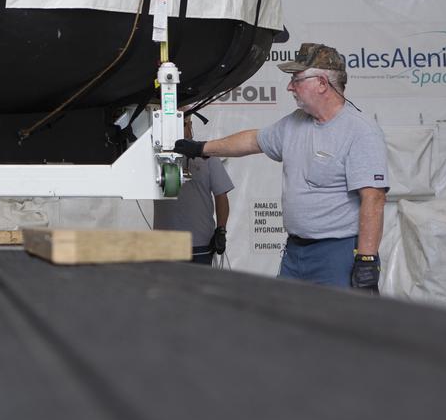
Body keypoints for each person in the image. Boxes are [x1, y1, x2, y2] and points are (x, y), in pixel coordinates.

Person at [173, 43, 387, 291]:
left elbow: (374, 199)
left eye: (296, 79)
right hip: (296, 253)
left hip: (338, 253)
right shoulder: (294, 124)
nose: (289, 86)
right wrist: (200, 148)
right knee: (286, 321)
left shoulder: (360, 130)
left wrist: (367, 259)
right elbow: (253, 140)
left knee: (337, 326)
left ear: (321, 83)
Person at [155, 113, 232, 266]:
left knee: (199, 289)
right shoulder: (155, 154)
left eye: (185, 123)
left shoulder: (206, 154)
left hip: (200, 243)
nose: (184, 127)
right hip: (165, 244)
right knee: (165, 290)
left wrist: (221, 230)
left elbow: (221, 195)